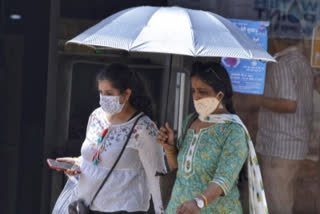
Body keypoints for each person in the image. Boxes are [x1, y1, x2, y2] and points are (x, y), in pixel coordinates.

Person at [54, 63, 167, 214]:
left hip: (123, 209)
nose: (103, 98)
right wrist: (78, 163)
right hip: (85, 206)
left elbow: (157, 178)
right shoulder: (96, 116)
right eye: (101, 92)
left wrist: (164, 211)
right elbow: (98, 157)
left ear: (126, 94)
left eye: (109, 93)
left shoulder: (144, 129)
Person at [157, 62, 267, 214]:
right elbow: (179, 169)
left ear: (220, 95)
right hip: (179, 208)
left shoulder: (233, 131)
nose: (196, 96)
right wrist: (169, 149)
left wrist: (198, 203)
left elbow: (224, 179)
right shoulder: (190, 121)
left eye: (202, 91)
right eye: (194, 91)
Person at [253, 40, 315, 214]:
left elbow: (289, 104)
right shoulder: (302, 61)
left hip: (279, 148)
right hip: (294, 147)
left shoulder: (282, 64)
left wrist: (255, 100)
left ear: (274, 38)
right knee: (285, 202)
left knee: (278, 205)